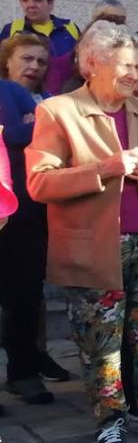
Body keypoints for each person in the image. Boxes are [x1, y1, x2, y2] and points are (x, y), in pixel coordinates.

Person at [26, 22, 138, 443]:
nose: (137, 74)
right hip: (94, 248)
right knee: (102, 344)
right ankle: (109, 421)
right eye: (126, 65)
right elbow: (39, 183)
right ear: (93, 63)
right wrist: (105, 167)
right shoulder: (58, 111)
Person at [0, 41, 57, 404]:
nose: (34, 66)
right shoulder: (5, 90)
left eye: (41, 61)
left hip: (36, 213)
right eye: (27, 58)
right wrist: (30, 126)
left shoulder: (49, 98)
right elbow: (11, 135)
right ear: (7, 62)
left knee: (26, 296)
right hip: (7, 209)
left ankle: (23, 372)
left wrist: (29, 123)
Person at [0, 0, 81, 96]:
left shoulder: (70, 28)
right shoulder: (12, 29)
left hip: (66, 99)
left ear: (50, 3)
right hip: (25, 99)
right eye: (25, 0)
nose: (31, 5)